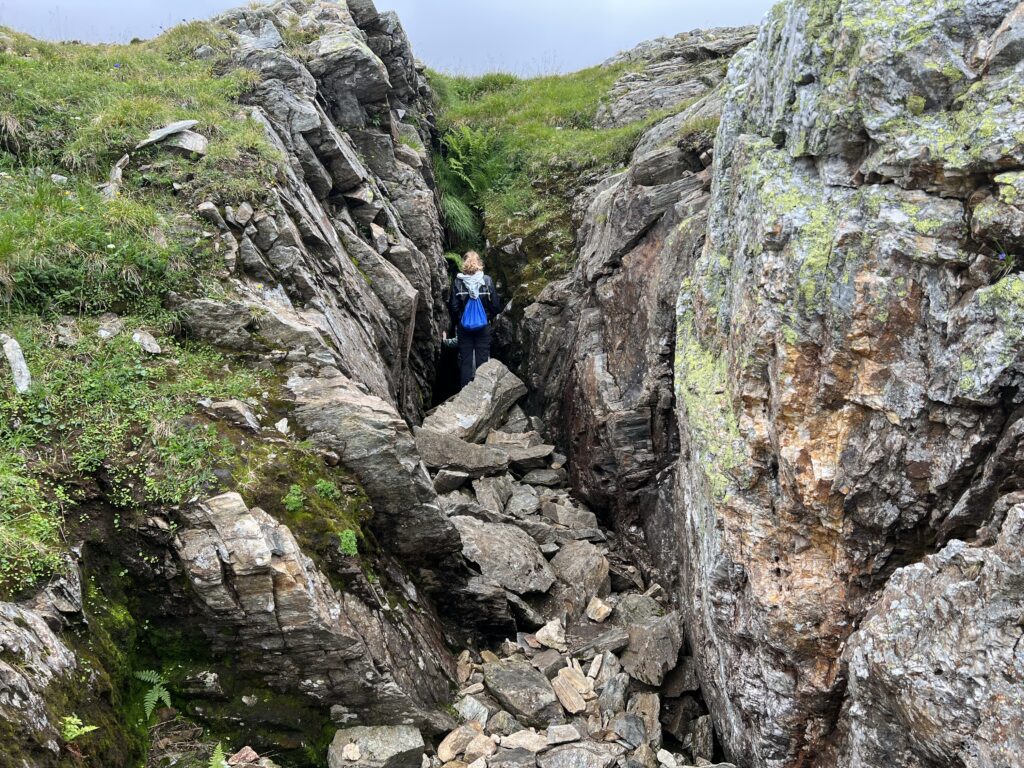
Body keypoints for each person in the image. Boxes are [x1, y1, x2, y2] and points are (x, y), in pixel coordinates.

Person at [449, 251, 501, 388]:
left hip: (464, 327)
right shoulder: (487, 280)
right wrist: (487, 317)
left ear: (464, 263)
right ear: (479, 263)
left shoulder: (458, 281)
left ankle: (464, 395)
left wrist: (459, 322)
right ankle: (482, 394)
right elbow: (495, 305)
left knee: (465, 362)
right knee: (483, 361)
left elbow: (453, 307)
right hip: (483, 327)